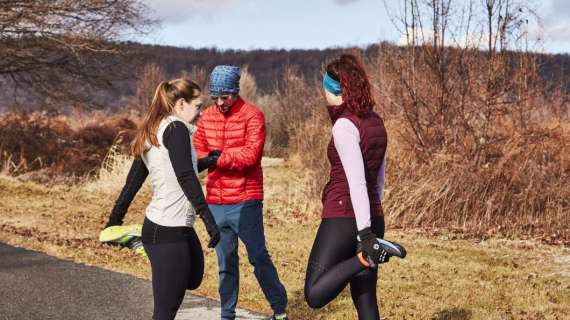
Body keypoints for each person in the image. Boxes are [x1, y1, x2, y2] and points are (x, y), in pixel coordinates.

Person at [102, 78, 221, 320]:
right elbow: (184, 175)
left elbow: (170, 169)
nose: (199, 113)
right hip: (167, 229)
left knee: (194, 276)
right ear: (180, 104)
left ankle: (144, 243)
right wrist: (209, 220)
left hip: (172, 225)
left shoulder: (154, 128)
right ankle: (141, 240)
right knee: (165, 313)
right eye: (197, 106)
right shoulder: (176, 129)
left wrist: (207, 162)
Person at [303, 54, 406, 320]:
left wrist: (365, 238)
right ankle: (370, 253)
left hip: (344, 218)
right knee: (365, 300)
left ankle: (365, 257)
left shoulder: (344, 126)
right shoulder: (376, 122)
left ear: (332, 90)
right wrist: (372, 221)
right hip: (371, 215)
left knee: (314, 293)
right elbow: (378, 178)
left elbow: (357, 182)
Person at [192, 65, 288, 320]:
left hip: (246, 199)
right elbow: (197, 152)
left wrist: (217, 158)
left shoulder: (253, 116)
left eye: (226, 96)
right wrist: (209, 159)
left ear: (235, 92)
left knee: (258, 256)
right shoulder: (207, 117)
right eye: (216, 97)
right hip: (215, 201)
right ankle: (227, 315)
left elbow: (251, 156)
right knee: (225, 263)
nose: (221, 102)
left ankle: (279, 309)